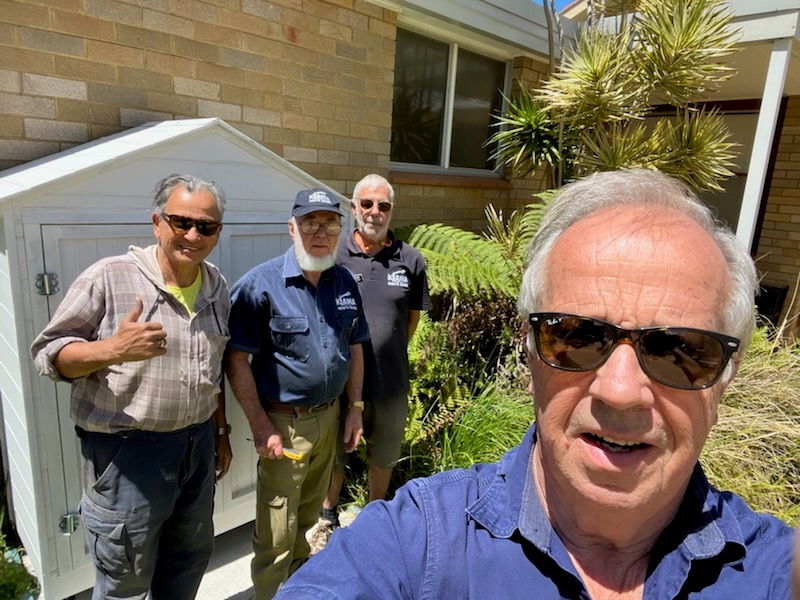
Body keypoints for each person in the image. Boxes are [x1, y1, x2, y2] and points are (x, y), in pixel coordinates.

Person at [276, 169, 794, 599]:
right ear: (529, 355)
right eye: (576, 337)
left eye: (679, 349)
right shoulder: (418, 542)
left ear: (726, 377)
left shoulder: (777, 572)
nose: (619, 390)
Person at [31, 173, 232, 600]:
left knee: (188, 561)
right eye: (181, 222)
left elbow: (212, 373)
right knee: (125, 579)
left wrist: (220, 433)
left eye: (206, 226)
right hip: (127, 454)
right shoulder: (109, 277)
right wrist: (113, 349)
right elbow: (48, 354)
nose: (193, 235)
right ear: (157, 222)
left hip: (197, 447)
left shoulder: (216, 286)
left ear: (218, 232)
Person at [224, 187, 370, 598]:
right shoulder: (260, 286)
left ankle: (297, 590)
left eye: (330, 224)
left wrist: (355, 408)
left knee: (307, 520)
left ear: (341, 230)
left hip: (330, 419)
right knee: (276, 532)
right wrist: (260, 425)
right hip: (284, 427)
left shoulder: (343, 282)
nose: (320, 232)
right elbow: (236, 359)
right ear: (292, 228)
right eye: (310, 223)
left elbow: (355, 345)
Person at [309, 174, 431, 553]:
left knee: (384, 453)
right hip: (339, 382)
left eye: (383, 205)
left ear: (392, 210)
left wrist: (386, 349)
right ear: (353, 207)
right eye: (367, 204)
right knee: (334, 453)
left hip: (390, 380)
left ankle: (374, 517)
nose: (375, 212)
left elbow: (411, 319)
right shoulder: (335, 257)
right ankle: (327, 515)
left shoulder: (411, 260)